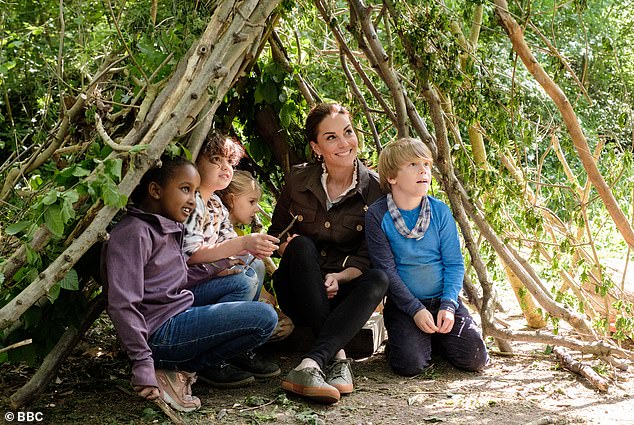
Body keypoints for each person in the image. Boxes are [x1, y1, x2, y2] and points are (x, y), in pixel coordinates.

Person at [103, 156, 277, 412]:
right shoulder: (133, 233)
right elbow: (122, 304)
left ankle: (178, 369)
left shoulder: (169, 227)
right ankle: (181, 368)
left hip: (176, 314)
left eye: (195, 192)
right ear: (155, 190)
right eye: (185, 189)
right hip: (160, 333)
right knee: (264, 318)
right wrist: (141, 362)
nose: (191, 200)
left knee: (246, 282)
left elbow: (175, 277)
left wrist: (221, 267)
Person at [268, 102, 389, 404]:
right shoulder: (297, 181)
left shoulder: (376, 190)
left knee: (379, 277)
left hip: (343, 294)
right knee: (301, 245)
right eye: (331, 137)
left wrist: (338, 276)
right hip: (298, 290)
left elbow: (368, 255)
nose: (344, 143)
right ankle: (337, 356)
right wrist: (291, 248)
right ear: (316, 147)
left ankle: (312, 363)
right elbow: (276, 235)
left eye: (347, 132)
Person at [365, 137, 489, 377]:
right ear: (392, 177)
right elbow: (387, 271)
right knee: (409, 365)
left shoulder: (440, 211)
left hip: (443, 301)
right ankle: (409, 342)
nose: (423, 170)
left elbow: (454, 263)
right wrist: (414, 309)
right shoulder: (377, 216)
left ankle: (437, 339)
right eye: (413, 164)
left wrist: (449, 305)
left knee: (476, 358)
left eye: (427, 164)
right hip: (405, 306)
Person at [183, 132, 281, 387]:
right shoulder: (192, 202)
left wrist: (257, 248)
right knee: (242, 282)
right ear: (196, 162)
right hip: (189, 288)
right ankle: (212, 359)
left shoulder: (215, 203)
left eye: (230, 163)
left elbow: (231, 246)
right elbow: (190, 255)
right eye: (216, 160)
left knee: (254, 265)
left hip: (210, 278)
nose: (225, 168)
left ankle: (234, 351)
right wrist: (238, 247)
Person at [218, 170, 295, 342]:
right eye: (251, 201)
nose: (256, 209)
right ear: (231, 200)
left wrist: (270, 302)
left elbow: (259, 289)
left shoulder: (239, 233)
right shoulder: (219, 236)